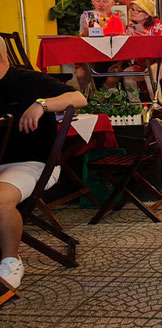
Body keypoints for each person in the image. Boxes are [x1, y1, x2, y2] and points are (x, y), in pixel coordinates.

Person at [0, 39, 87, 289]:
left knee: (1, 199)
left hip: (31, 162)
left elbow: (78, 97)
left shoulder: (29, 80)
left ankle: (10, 261)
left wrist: (41, 105)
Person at [121, 0, 162, 103]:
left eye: (138, 10)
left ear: (147, 14)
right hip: (142, 64)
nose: (134, 12)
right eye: (132, 9)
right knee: (127, 73)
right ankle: (135, 106)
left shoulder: (157, 25)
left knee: (149, 74)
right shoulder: (130, 28)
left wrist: (151, 38)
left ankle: (157, 105)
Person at [76, 0, 117, 91]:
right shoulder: (86, 17)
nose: (101, 5)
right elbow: (81, 39)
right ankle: (89, 101)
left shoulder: (118, 17)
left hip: (112, 57)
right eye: (98, 1)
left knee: (113, 77)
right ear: (93, 2)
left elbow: (121, 40)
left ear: (112, 3)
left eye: (105, 1)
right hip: (91, 56)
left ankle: (101, 99)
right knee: (81, 74)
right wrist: (86, 31)